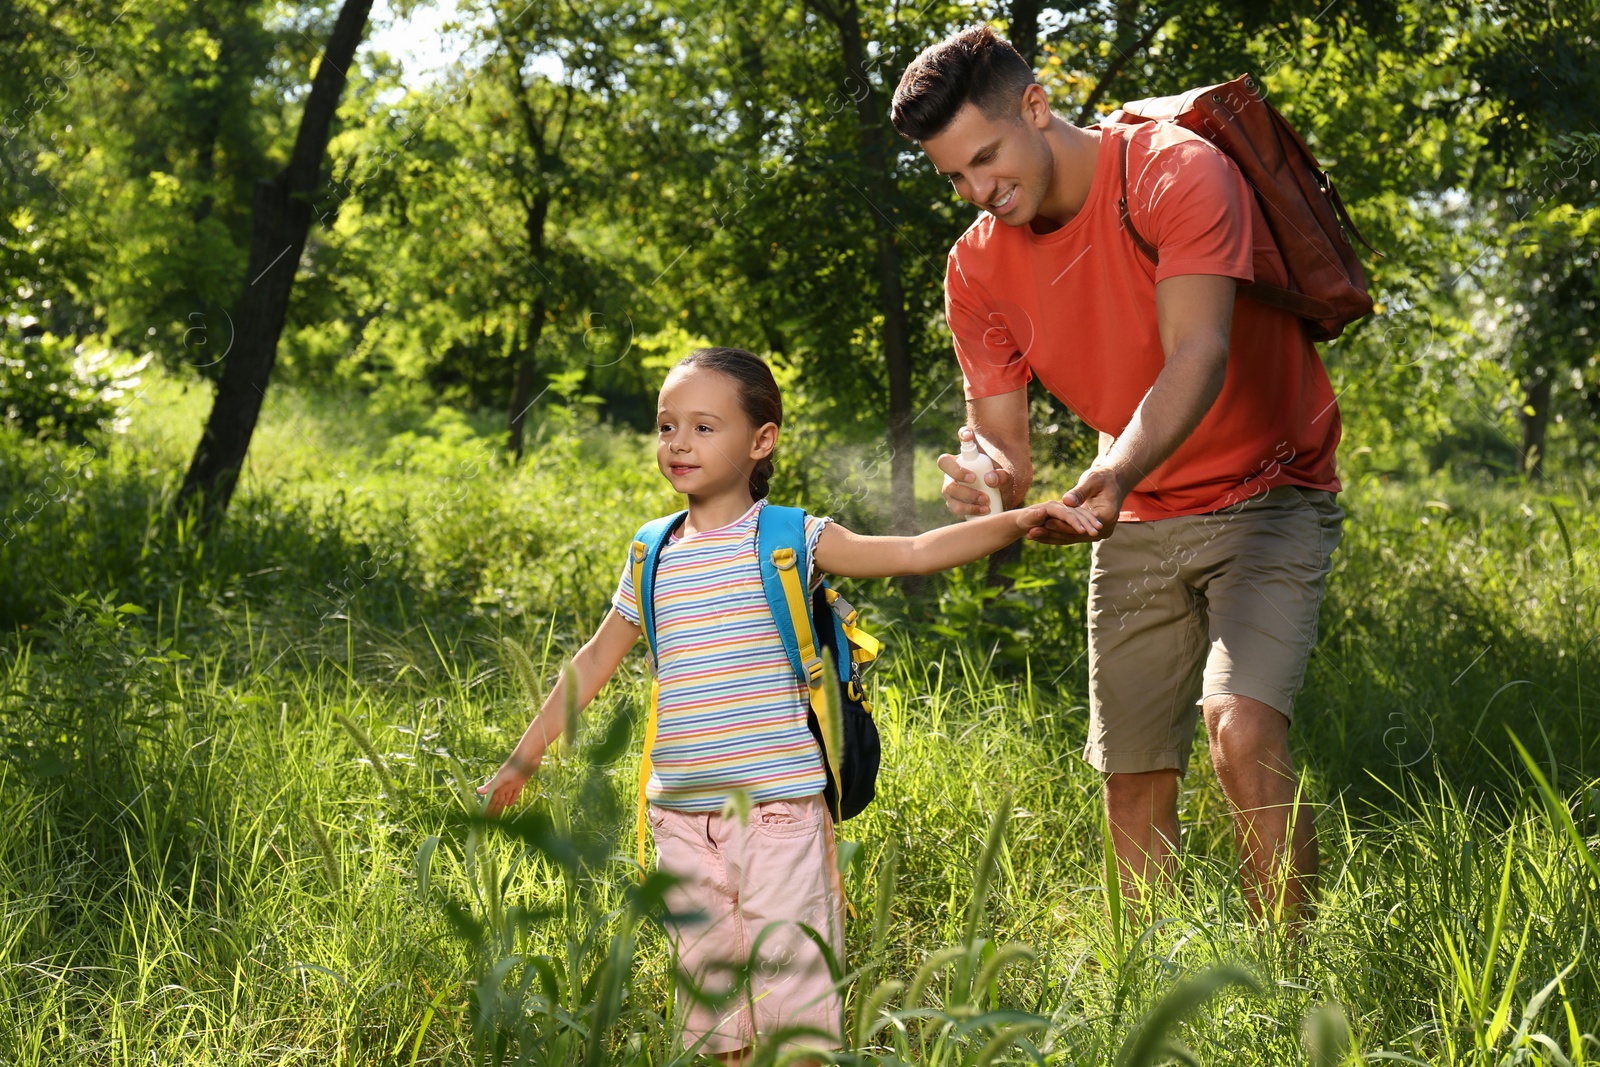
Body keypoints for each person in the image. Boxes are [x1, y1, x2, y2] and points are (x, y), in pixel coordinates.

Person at [479, 346, 1093, 1061]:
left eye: (705, 427)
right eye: (666, 425)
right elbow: (590, 664)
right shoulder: (651, 552)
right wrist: (522, 761)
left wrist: (1019, 521)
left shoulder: (790, 538)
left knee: (795, 1018)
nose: (679, 442)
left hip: (779, 815)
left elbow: (916, 550)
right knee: (716, 1026)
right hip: (679, 821)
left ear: (761, 440)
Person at [890, 28, 1345, 924]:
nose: (979, 192)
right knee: (1132, 774)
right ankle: (1151, 993)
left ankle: (1294, 979)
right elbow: (1004, 450)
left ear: (1035, 106)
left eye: (985, 159)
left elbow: (1199, 353)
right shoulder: (975, 266)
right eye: (955, 178)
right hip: (1135, 516)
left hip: (1268, 487)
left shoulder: (1176, 171)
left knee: (1241, 728)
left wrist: (1113, 471)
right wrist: (985, 478)